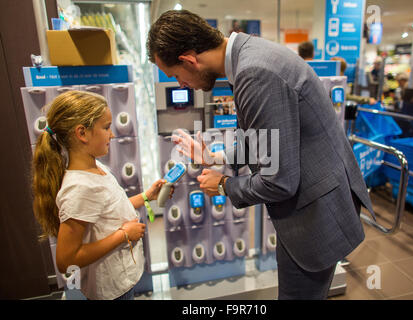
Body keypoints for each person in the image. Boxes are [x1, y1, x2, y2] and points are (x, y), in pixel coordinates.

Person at [147, 10, 375, 300]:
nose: (180, 85)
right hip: (315, 199)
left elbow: (279, 181)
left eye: (175, 76)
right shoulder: (249, 54)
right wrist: (214, 156)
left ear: (189, 60)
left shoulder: (254, 73)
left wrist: (223, 185)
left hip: (314, 212)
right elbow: (263, 140)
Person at [32, 90, 170, 300]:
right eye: (106, 127)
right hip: (111, 292)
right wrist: (123, 235)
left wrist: (146, 196)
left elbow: (110, 209)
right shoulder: (79, 188)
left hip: (121, 279)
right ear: (82, 133)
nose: (112, 134)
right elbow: (66, 260)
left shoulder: (96, 167)